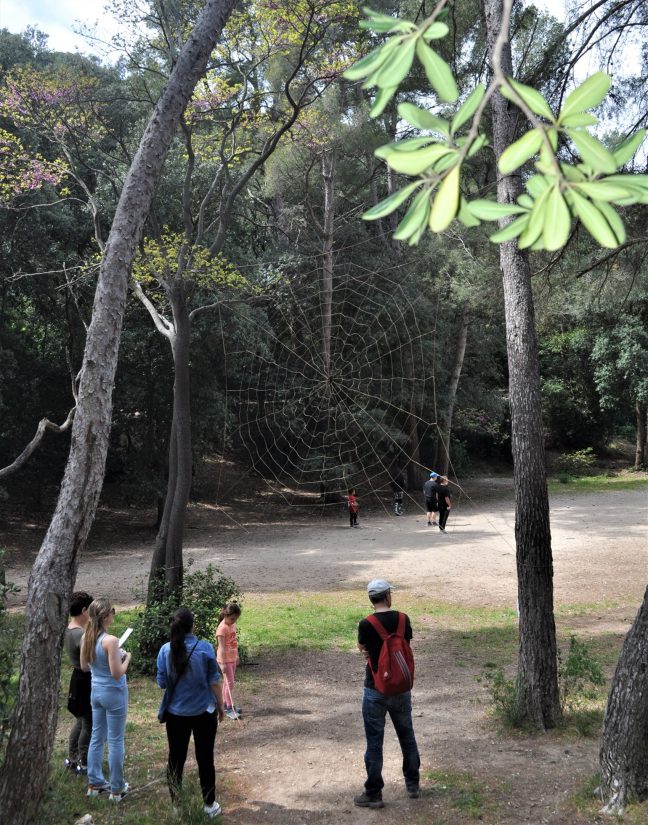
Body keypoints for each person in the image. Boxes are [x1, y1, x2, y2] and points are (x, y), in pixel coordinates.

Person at [355, 579, 420, 809]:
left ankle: (374, 793)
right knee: (407, 734)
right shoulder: (403, 619)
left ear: (372, 599)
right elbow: (405, 644)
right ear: (388, 596)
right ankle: (412, 784)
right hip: (401, 688)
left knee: (374, 742)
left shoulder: (366, 624)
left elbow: (362, 647)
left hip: (374, 688)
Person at [157, 608, 225, 819]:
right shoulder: (204, 648)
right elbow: (214, 681)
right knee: (205, 757)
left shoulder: (165, 650)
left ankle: (177, 805)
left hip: (176, 715)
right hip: (203, 712)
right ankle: (209, 804)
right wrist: (221, 706)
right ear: (192, 626)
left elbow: (161, 682)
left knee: (175, 759)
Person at [80, 597, 131, 801]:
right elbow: (117, 673)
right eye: (112, 611)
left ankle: (94, 782)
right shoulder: (111, 641)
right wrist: (126, 658)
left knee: (97, 736)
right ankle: (117, 788)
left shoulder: (87, 637)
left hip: (96, 692)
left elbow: (84, 666)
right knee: (116, 739)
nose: (113, 614)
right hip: (114, 693)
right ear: (105, 616)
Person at [64, 591, 94, 775]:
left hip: (76, 679)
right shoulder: (81, 635)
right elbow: (86, 664)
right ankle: (83, 760)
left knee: (80, 721)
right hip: (84, 681)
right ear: (84, 610)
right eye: (89, 610)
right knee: (88, 723)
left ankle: (72, 758)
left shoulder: (69, 629)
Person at [216, 602, 242, 719]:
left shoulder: (232, 625)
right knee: (230, 683)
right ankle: (229, 707)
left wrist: (236, 655)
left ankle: (222, 704)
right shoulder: (221, 629)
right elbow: (220, 648)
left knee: (227, 683)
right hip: (225, 660)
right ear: (226, 615)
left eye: (235, 619)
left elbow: (234, 643)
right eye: (232, 618)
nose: (233, 621)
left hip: (232, 658)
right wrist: (221, 664)